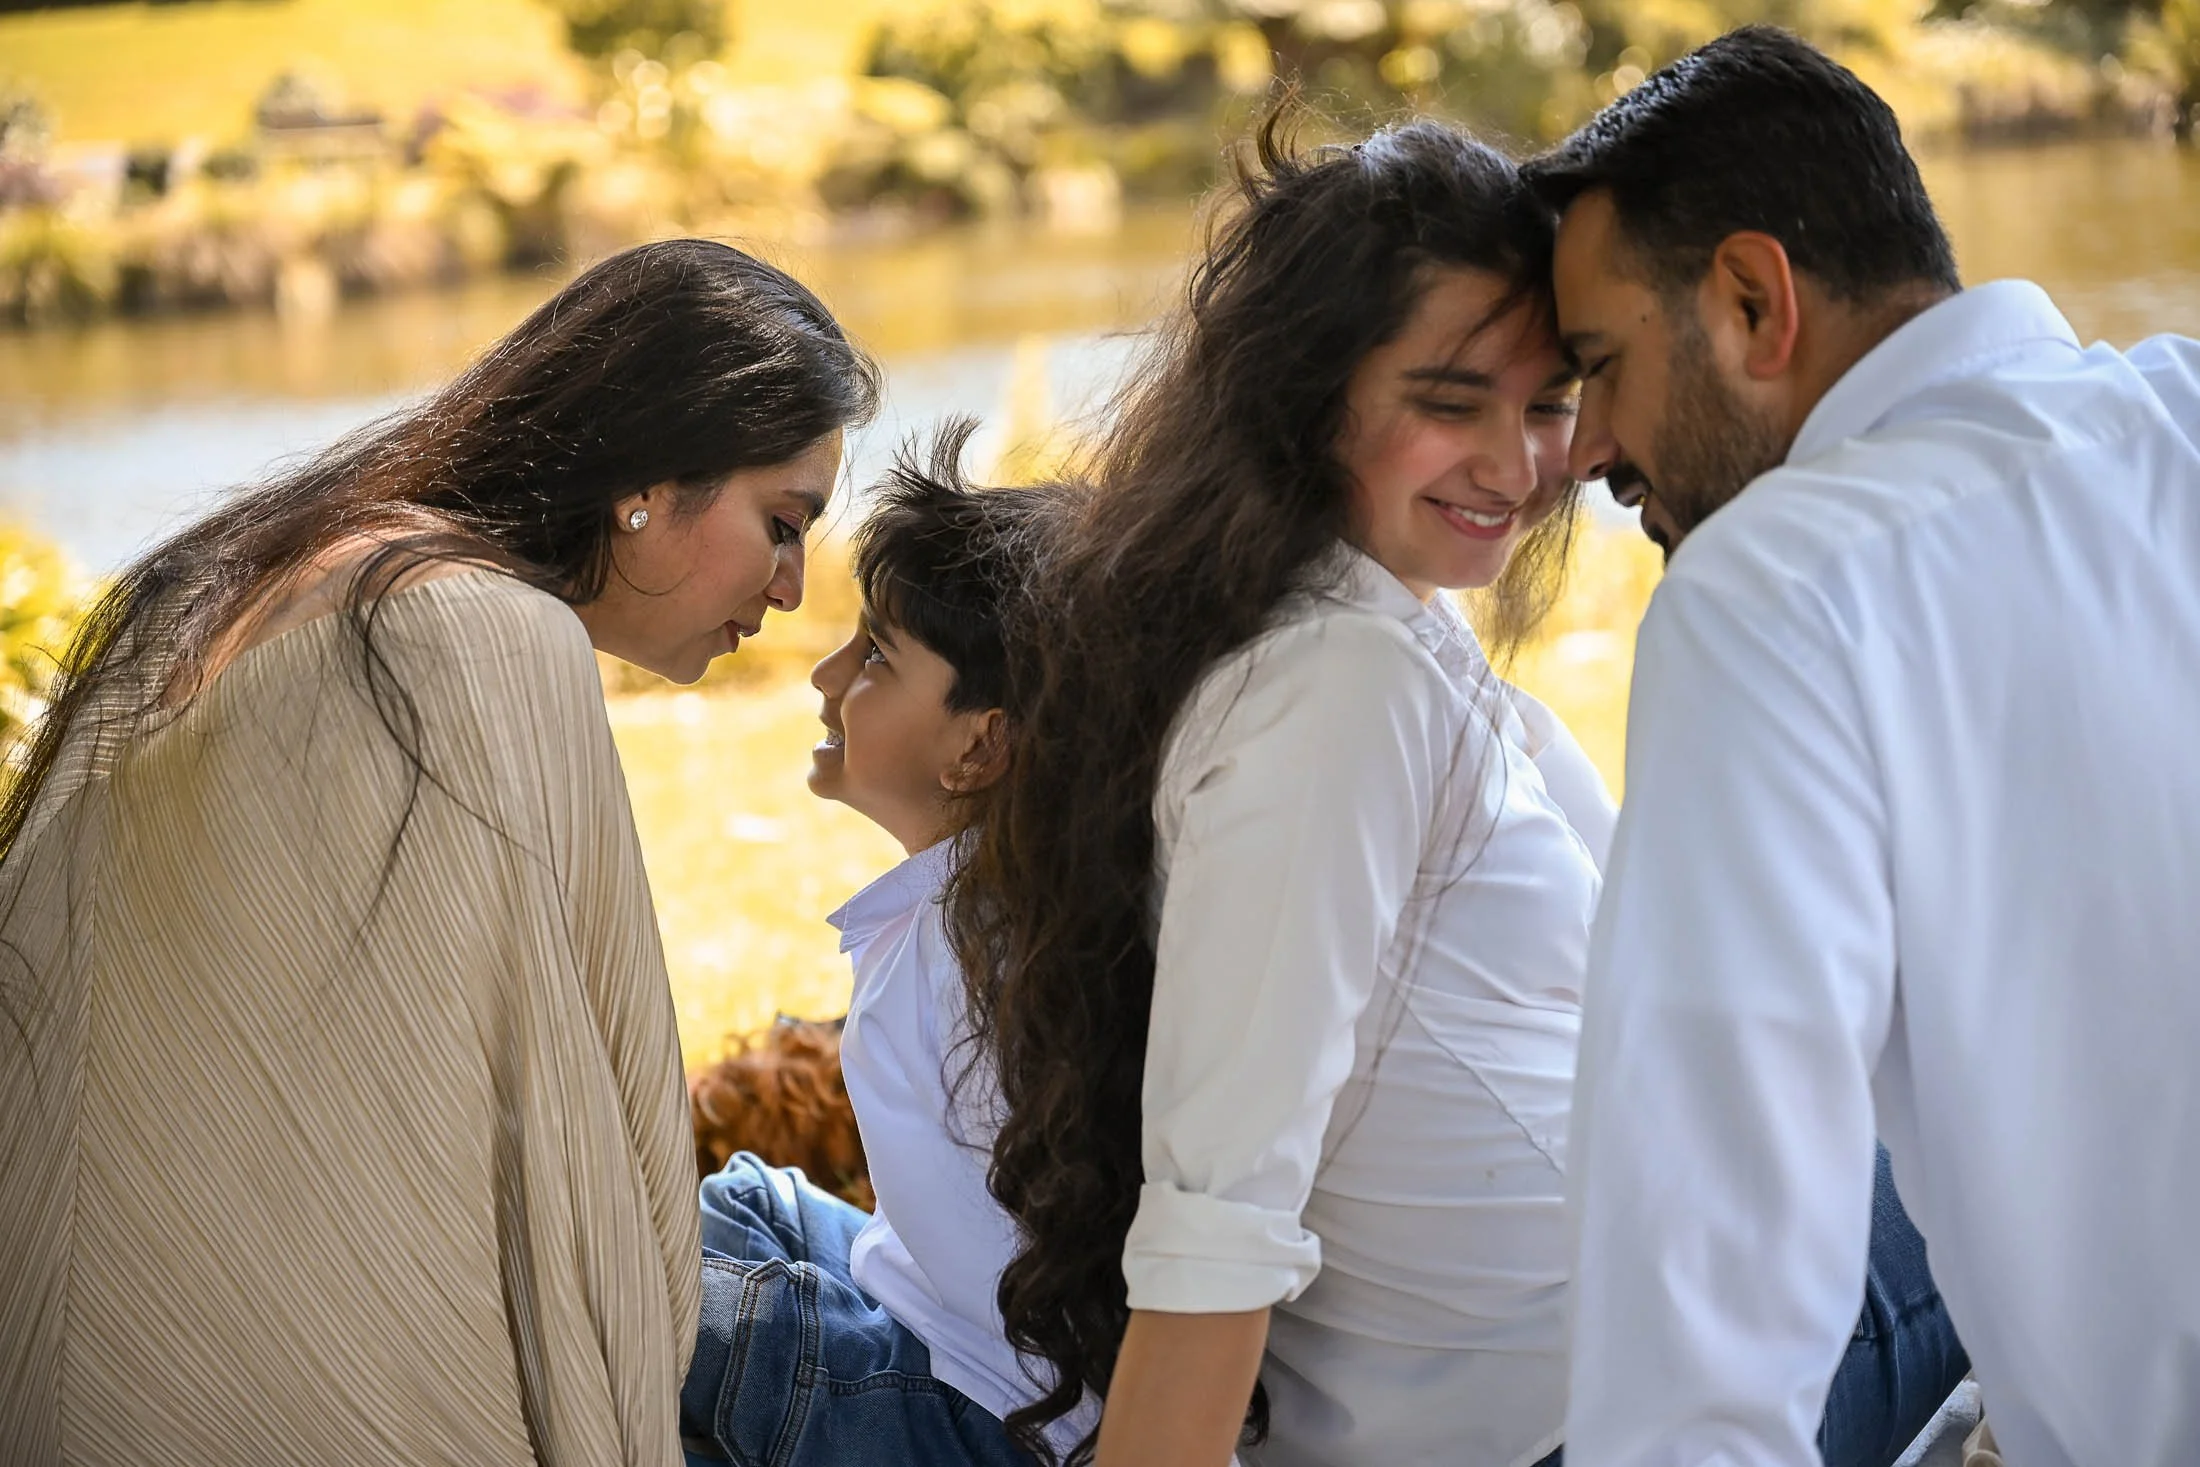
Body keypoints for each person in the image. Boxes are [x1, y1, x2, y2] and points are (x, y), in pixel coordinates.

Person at [946, 115, 1962, 1467]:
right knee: (2051, 1110)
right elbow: (1219, 1202)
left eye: (1549, 402)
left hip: (1603, 1337)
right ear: (1310, 394)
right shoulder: (1334, 685)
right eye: (1449, 400)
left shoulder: (1326, 631)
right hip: (1610, 1401)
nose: (1521, 462)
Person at [0, 239, 879, 1466]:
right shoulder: (481, 638)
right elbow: (583, 1157)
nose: (792, 588)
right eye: (782, 524)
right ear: (649, 472)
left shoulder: (286, 572)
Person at [1525, 26, 2200, 1467]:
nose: (1584, 448)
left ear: (1753, 300)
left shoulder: (1768, 595)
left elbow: (1700, 1345)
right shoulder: (2183, 410)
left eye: (1599, 366)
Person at [681, 426, 1078, 1467]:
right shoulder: (966, 910)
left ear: (979, 744)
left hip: (983, 1420)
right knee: (743, 1199)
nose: (824, 672)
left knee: (644, 1300)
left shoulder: (996, 967)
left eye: (876, 657)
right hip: (932, 1315)